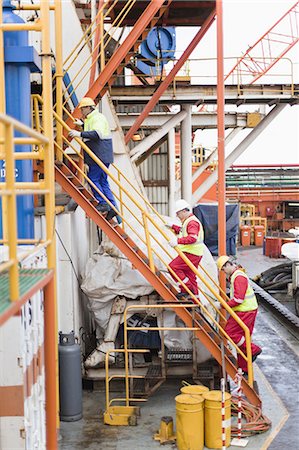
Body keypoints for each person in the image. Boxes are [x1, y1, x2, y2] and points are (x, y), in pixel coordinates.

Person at [68, 97, 119, 221]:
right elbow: (94, 129)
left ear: (87, 108)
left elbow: (97, 134)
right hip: (101, 155)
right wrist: (83, 125)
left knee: (93, 179)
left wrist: (79, 134)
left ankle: (103, 203)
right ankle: (112, 208)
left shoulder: (97, 118)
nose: (81, 112)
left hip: (98, 155)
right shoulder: (93, 119)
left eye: (82, 109)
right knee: (102, 181)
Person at [216, 255, 262, 374]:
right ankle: (244, 368)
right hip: (248, 309)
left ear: (228, 265)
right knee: (242, 339)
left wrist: (222, 305)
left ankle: (253, 350)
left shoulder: (238, 277)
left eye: (223, 269)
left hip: (245, 310)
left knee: (230, 332)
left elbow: (238, 299)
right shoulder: (237, 275)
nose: (223, 272)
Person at [167, 199, 204, 299]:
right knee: (191, 276)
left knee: (173, 267)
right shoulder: (189, 221)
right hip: (195, 253)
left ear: (184, 211)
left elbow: (192, 237)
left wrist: (177, 241)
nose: (177, 216)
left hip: (191, 252)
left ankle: (187, 288)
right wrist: (173, 226)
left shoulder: (191, 222)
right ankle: (195, 300)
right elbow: (184, 231)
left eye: (178, 213)